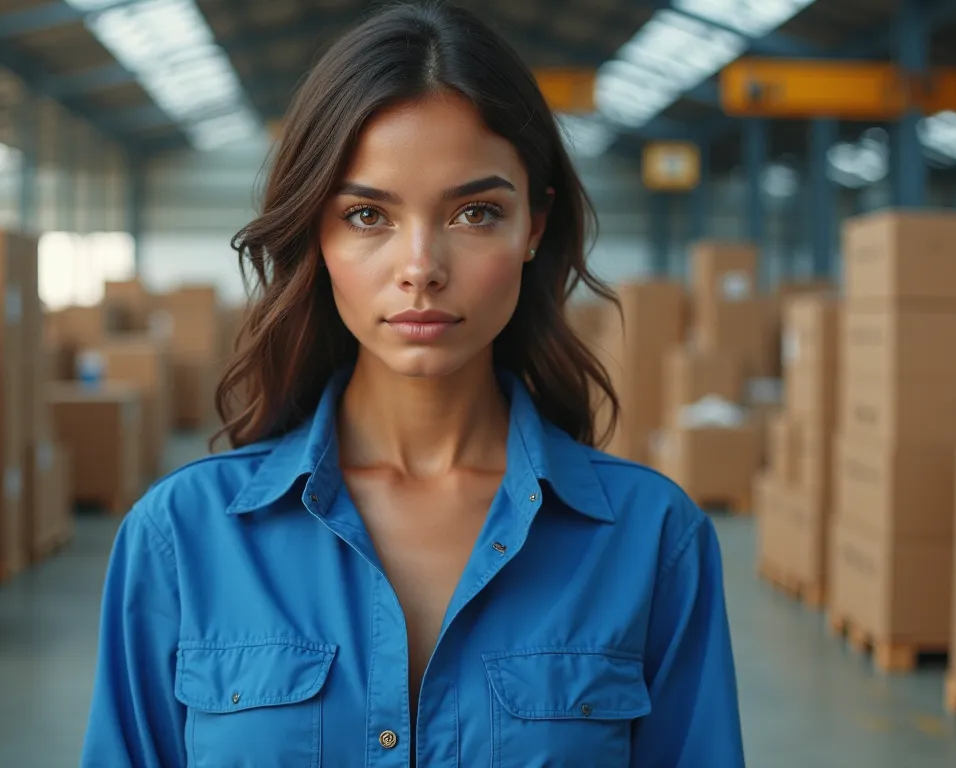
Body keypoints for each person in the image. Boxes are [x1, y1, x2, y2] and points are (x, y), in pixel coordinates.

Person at [81, 3, 744, 766]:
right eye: (368, 215)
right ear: (314, 234)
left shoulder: (653, 541)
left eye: (475, 212)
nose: (420, 266)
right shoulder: (181, 538)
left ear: (533, 224)